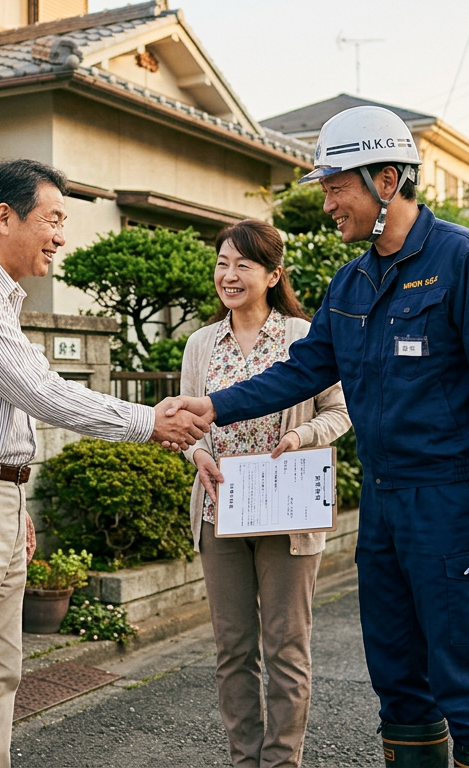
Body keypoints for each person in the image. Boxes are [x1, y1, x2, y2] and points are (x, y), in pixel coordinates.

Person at [168, 106, 469, 768]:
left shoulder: (465, 260)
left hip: (452, 501)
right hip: (386, 506)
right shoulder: (352, 282)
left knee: (465, 674)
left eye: (337, 186)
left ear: (386, 179)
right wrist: (210, 405)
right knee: (397, 677)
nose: (328, 202)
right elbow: (299, 373)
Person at [0, 158, 210, 768]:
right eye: (54, 219)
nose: (62, 236)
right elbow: (41, 391)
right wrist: (149, 422)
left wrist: (14, 504)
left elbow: (5, 407)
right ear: (4, 216)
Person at [181, 219, 351, 768]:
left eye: (243, 265)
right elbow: (187, 424)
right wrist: (197, 451)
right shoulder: (201, 344)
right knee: (233, 650)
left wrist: (302, 436)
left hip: (289, 507)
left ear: (273, 274)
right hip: (220, 509)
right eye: (222, 263)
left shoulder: (302, 338)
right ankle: (243, 761)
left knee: (285, 649)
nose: (229, 275)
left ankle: (282, 762)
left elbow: (340, 412)